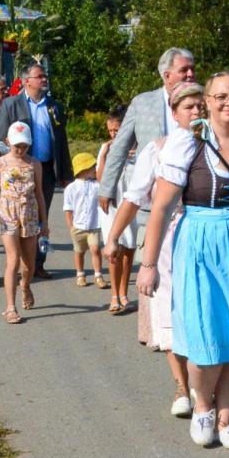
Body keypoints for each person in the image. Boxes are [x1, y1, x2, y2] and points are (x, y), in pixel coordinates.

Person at [137, 73, 229, 449]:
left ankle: (226, 418)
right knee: (206, 336)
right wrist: (149, 263)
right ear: (206, 101)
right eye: (221, 96)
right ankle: (203, 405)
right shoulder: (189, 144)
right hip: (202, 247)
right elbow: (161, 207)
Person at [105, 81, 206, 414]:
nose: (196, 112)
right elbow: (135, 197)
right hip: (166, 240)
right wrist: (113, 237)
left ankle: (205, 382)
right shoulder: (158, 149)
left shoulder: (218, 145)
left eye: (199, 105)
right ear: (174, 113)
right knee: (169, 312)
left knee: (203, 310)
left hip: (205, 237)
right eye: (188, 107)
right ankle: (181, 386)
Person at [98, 47, 195, 219]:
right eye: (184, 70)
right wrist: (107, 188)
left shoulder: (203, 102)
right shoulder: (142, 103)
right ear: (167, 76)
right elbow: (119, 147)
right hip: (151, 198)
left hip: (193, 199)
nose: (190, 74)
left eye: (192, 69)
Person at [0, 62, 71, 272]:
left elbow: (61, 140)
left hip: (45, 170)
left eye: (44, 76)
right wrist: (11, 164)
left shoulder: (54, 106)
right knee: (18, 218)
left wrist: (65, 173)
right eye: (39, 76)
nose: (44, 79)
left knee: (41, 216)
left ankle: (37, 264)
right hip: (18, 172)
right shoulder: (12, 104)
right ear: (26, 81)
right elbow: (1, 138)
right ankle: (20, 262)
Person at [1, 121, 47, 323]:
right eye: (17, 145)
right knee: (12, 260)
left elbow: (39, 193)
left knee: (28, 264)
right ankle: (10, 308)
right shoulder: (1, 163)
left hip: (29, 214)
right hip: (7, 214)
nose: (20, 150)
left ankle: (25, 286)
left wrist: (44, 223)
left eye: (24, 146)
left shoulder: (34, 164)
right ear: (7, 142)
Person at [97, 104, 135, 312]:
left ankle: (123, 292)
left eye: (117, 130)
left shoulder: (137, 148)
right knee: (114, 249)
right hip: (111, 203)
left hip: (131, 203)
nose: (113, 134)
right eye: (110, 130)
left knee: (129, 247)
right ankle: (114, 295)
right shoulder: (105, 148)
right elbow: (101, 178)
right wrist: (105, 156)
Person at [62, 152, 106, 294]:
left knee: (95, 249)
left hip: (94, 225)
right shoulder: (71, 188)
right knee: (79, 251)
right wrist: (71, 227)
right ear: (83, 169)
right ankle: (80, 273)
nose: (95, 169)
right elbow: (68, 209)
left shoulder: (96, 186)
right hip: (78, 226)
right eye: (92, 167)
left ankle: (98, 275)